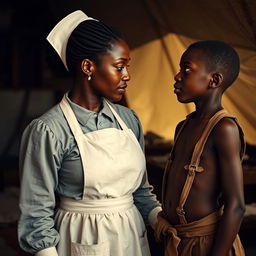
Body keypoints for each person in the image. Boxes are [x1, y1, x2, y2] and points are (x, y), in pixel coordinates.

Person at [18, 10, 161, 256]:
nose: (127, 76)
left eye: (127, 66)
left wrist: (161, 222)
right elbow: (36, 212)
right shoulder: (49, 130)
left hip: (132, 238)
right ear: (88, 66)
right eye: (119, 67)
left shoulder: (129, 120)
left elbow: (141, 191)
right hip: (81, 239)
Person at [155, 40, 246, 256]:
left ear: (214, 80)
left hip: (206, 244)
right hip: (178, 239)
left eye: (186, 69)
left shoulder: (224, 128)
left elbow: (236, 204)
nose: (177, 76)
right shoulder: (183, 127)